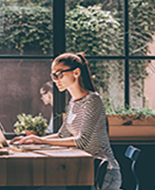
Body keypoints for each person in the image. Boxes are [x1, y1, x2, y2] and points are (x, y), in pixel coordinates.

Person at [10, 52, 122, 190]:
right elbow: (62, 135)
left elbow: (81, 142)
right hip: (84, 168)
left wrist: (41, 141)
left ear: (76, 73)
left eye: (60, 74)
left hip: (103, 172)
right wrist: (34, 139)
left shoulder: (93, 101)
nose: (56, 80)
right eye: (53, 76)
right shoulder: (73, 103)